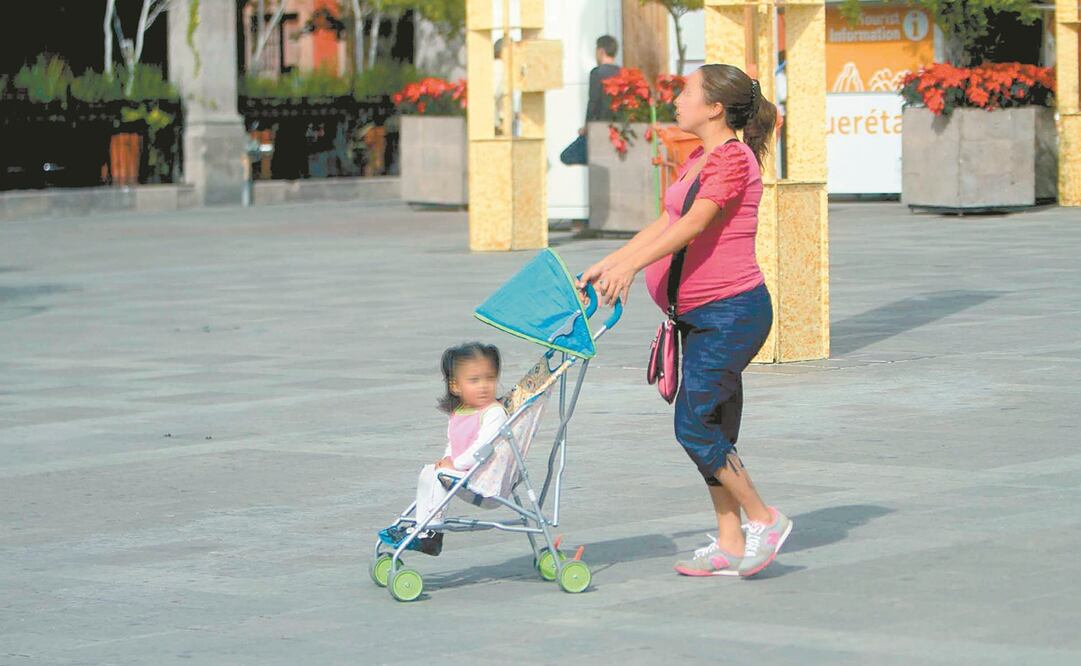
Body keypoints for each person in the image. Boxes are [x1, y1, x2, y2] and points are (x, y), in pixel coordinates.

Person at [577, 64, 793, 578]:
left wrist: (631, 268)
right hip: (697, 316)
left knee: (695, 426)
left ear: (716, 107)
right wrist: (615, 260)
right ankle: (730, 541)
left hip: (731, 312)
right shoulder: (698, 158)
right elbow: (668, 219)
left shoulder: (733, 160)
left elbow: (698, 222)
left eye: (688, 92)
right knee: (714, 429)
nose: (678, 99)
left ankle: (766, 519)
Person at [379, 343, 508, 556]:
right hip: (466, 474)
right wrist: (448, 458)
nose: (484, 386)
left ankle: (430, 533)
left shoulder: (494, 413)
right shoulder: (461, 413)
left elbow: (482, 448)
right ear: (456, 387)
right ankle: (425, 527)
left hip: (486, 483)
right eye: (474, 380)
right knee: (429, 471)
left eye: (490, 378)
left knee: (439, 473)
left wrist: (454, 464)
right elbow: (454, 442)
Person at [559, 35, 621, 166]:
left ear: (601, 51)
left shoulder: (597, 73)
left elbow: (593, 102)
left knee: (566, 156)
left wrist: (587, 127)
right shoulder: (622, 72)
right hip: (617, 131)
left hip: (597, 129)